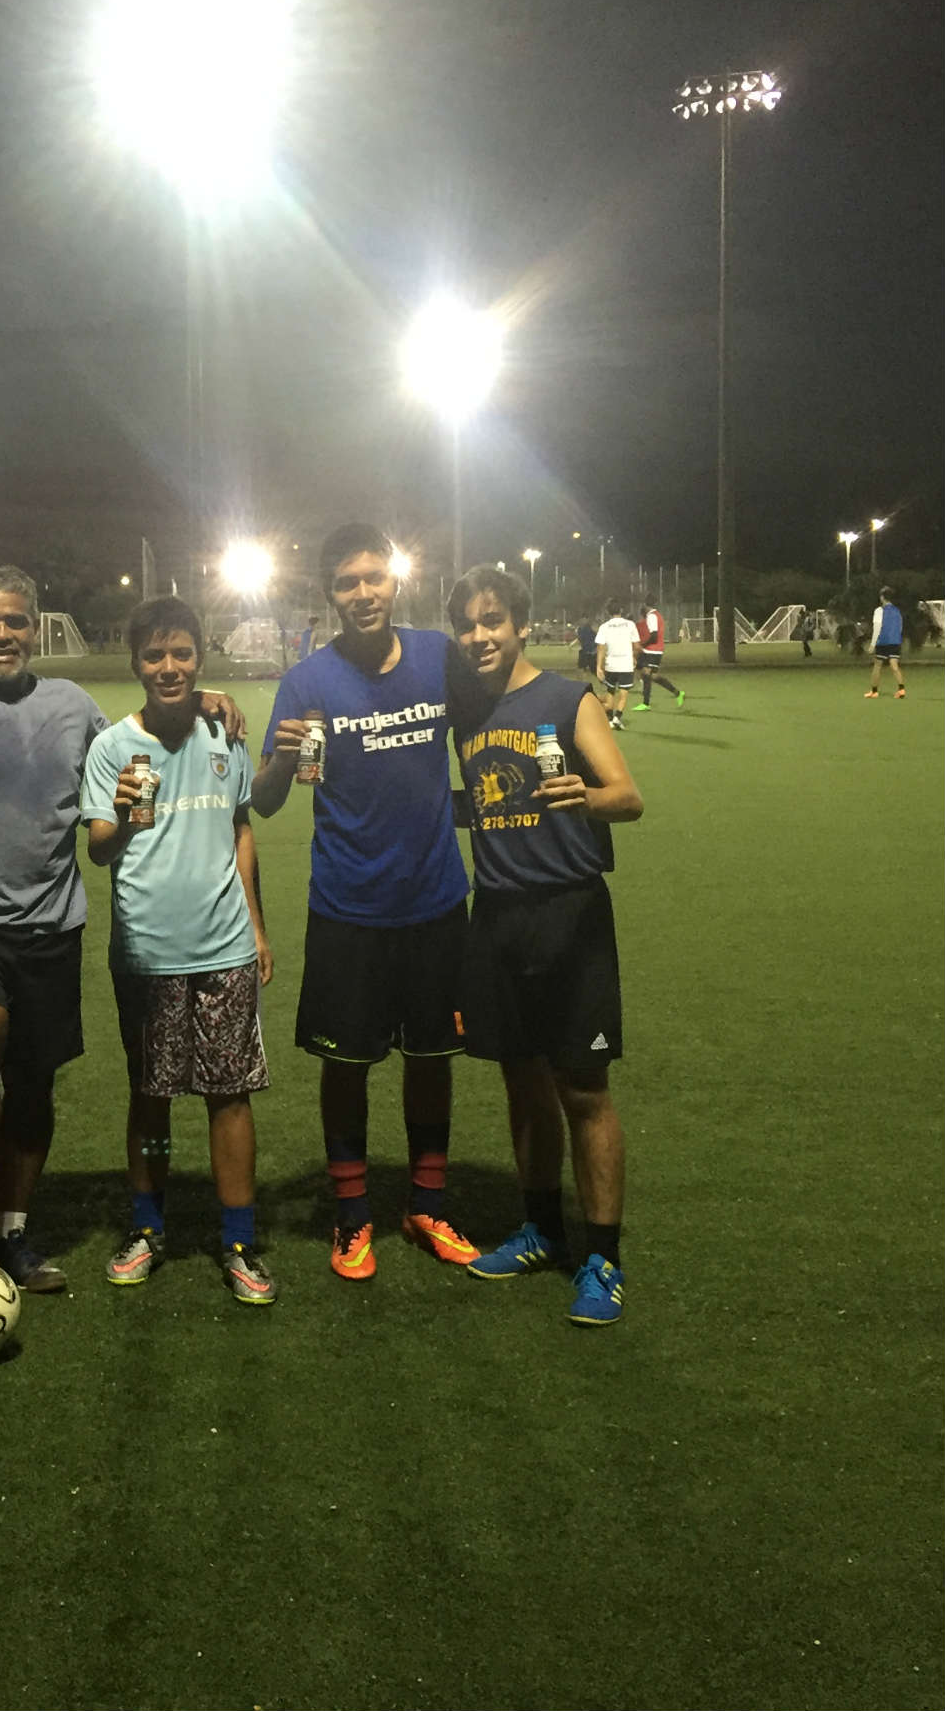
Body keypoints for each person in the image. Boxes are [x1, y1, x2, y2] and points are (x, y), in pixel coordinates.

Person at [0, 565, 244, 1292]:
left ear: (35, 625)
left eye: (15, 621)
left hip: (50, 915)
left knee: (35, 1078)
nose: (2, 635)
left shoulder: (71, 704)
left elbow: (135, 744)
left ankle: (13, 1230)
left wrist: (196, 697)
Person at [253, 524, 481, 1284]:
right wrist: (283, 754)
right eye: (347, 582)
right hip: (348, 905)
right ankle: (353, 1218)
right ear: (329, 594)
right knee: (345, 1065)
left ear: (396, 581)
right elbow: (265, 800)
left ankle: (427, 1203)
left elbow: (494, 723)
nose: (363, 594)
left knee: (431, 1058)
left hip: (437, 900)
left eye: (373, 578)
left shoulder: (436, 656)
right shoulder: (307, 681)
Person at [448, 565, 642, 1324]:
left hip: (570, 914)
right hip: (496, 917)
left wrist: (584, 796)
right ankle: (539, 1228)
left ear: (520, 624)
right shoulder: (468, 708)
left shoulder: (567, 698)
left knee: (583, 1089)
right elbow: (483, 800)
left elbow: (627, 796)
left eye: (492, 620)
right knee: (521, 1084)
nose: (479, 635)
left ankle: (602, 1256)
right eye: (467, 624)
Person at [83, 596, 276, 1305]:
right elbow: (99, 849)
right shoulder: (111, 747)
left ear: (202, 658)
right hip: (147, 950)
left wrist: (256, 925)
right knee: (151, 1095)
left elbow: (241, 827)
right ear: (135, 662)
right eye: (155, 655)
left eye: (183, 654)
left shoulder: (224, 732)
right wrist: (131, 815)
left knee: (229, 1096)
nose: (169, 667)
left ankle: (239, 1239)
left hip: (224, 945)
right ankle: (147, 1227)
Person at [592, 600, 640, 731]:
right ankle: (617, 718)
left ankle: (609, 719)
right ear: (621, 610)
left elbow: (601, 648)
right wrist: (634, 657)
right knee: (623, 695)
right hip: (626, 665)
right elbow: (636, 646)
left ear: (608, 612)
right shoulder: (630, 625)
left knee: (610, 693)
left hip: (611, 665)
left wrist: (598, 667)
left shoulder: (604, 627)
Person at [632, 597, 685, 713]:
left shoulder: (651, 616)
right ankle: (678, 693)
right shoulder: (658, 615)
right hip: (655, 650)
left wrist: (642, 645)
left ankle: (646, 704)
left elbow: (654, 636)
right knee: (652, 676)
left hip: (653, 650)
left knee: (646, 674)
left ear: (646, 605)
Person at [865, 588, 906, 698]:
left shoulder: (879, 610)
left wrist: (873, 644)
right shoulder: (897, 611)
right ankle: (901, 689)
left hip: (883, 642)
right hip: (895, 641)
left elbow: (877, 628)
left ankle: (874, 691)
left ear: (882, 597)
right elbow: (900, 626)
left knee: (877, 665)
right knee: (894, 665)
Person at [574, 620, 597, 685]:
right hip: (592, 652)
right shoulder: (593, 633)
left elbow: (579, 639)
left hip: (585, 652)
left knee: (581, 668)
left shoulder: (583, 631)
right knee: (592, 670)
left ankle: (581, 682)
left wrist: (571, 645)